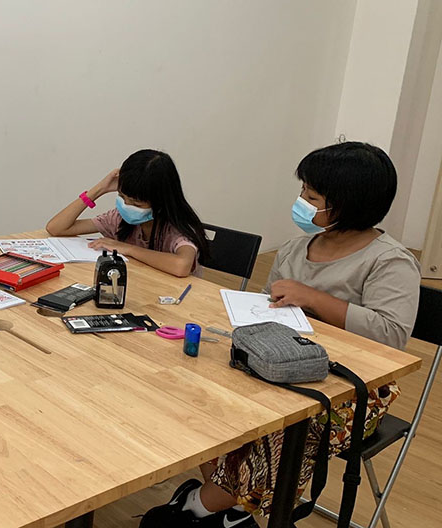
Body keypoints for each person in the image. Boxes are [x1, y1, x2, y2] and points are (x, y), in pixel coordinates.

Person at [139, 142, 421, 528]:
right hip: (273, 362)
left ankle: (200, 505)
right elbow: (263, 307)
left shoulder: (389, 261)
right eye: (303, 191)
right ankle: (236, 509)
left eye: (311, 195)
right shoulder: (295, 249)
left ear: (347, 204)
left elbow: (391, 337)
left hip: (350, 386)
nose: (301, 202)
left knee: (281, 433)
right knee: (199, 393)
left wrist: (314, 299)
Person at [46, 149, 208, 277]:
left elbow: (181, 266)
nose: (126, 206)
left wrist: (126, 248)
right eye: (122, 197)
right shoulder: (118, 218)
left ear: (160, 203)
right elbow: (56, 228)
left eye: (136, 203)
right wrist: (98, 190)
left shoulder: (177, 227)